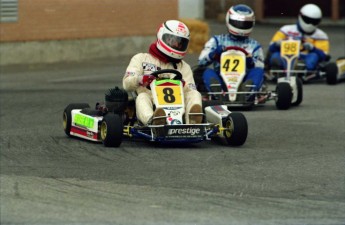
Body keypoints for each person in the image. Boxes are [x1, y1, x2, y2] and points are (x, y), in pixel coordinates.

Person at [122, 20, 203, 125]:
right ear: (162, 37)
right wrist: (140, 79)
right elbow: (126, 84)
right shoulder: (141, 59)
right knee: (142, 97)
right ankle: (154, 122)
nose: (177, 45)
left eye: (180, 43)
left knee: (195, 93)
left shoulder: (184, 67)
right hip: (151, 102)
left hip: (177, 106)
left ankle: (193, 123)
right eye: (173, 40)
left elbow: (190, 89)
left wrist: (183, 86)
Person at [197, 4, 265, 99]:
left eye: (245, 24)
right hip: (221, 78)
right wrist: (214, 54)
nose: (241, 26)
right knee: (207, 71)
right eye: (238, 23)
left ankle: (246, 92)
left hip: (244, 80)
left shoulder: (254, 45)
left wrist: (251, 62)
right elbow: (201, 61)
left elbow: (261, 66)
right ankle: (217, 92)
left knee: (258, 71)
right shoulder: (217, 41)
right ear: (229, 20)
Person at [265, 3, 329, 74]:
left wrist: (312, 48)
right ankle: (283, 68)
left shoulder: (321, 35)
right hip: (286, 56)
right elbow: (271, 49)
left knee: (313, 57)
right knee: (275, 56)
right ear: (300, 16)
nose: (310, 24)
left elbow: (324, 56)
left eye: (314, 21)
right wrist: (277, 44)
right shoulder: (286, 30)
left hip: (305, 57)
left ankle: (301, 69)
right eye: (307, 20)